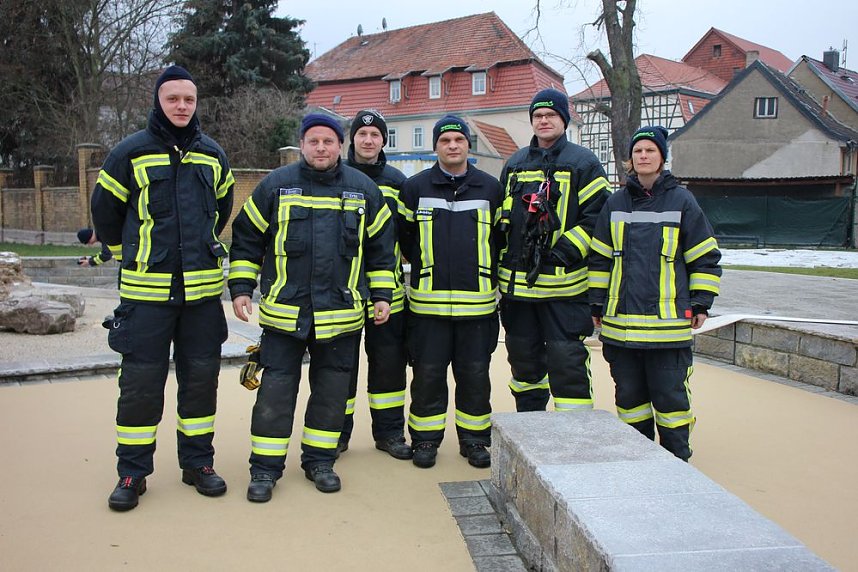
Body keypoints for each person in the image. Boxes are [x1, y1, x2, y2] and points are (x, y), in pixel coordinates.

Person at [228, 113, 396, 501]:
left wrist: (383, 295)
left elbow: (381, 251)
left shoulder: (362, 189)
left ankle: (320, 461)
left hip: (341, 317)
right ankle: (265, 469)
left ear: (341, 146)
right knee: (275, 392)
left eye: (329, 141)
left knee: (331, 393)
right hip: (285, 316)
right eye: (313, 141)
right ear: (302, 145)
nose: (321, 147)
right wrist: (240, 287)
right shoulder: (275, 186)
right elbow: (247, 239)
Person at [91, 65, 234, 511]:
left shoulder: (212, 154)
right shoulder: (129, 152)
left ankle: (198, 464)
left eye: (188, 100)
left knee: (201, 383)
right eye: (173, 99)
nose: (181, 106)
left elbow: (222, 208)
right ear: (158, 100)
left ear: (196, 104)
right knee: (140, 385)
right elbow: (105, 213)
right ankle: (132, 473)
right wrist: (131, 251)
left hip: (202, 296)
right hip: (146, 295)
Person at [588, 126, 722, 461]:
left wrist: (701, 302)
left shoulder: (682, 201)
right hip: (621, 330)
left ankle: (677, 460)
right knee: (629, 399)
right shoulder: (615, 203)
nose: (643, 156)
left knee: (670, 400)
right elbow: (600, 259)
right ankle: (639, 458)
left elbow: (704, 256)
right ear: (630, 159)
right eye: (638, 151)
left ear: (662, 157)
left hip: (668, 330)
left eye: (650, 150)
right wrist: (595, 301)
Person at [398, 115, 504, 469]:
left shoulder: (491, 188)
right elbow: (405, 240)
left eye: (459, 140)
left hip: (478, 309)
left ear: (468, 145)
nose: (453, 146)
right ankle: (426, 441)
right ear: (436, 147)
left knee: (475, 377)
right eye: (446, 141)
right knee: (427, 376)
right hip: (428, 309)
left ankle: (474, 441)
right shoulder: (414, 189)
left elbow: (501, 241)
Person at [498, 88, 610, 413]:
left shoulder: (584, 163)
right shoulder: (516, 163)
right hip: (518, 292)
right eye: (538, 115)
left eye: (551, 115)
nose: (544, 120)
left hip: (565, 290)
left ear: (564, 119)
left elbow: (598, 218)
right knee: (523, 363)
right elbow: (501, 216)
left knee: (567, 363)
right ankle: (530, 430)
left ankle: (574, 439)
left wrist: (564, 250)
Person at [337, 109, 411, 460]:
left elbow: (409, 235)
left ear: (383, 141)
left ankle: (390, 433)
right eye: (362, 134)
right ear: (352, 139)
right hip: (341, 293)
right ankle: (336, 433)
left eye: (375, 135)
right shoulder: (334, 177)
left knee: (389, 366)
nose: (368, 141)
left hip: (389, 293)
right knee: (341, 367)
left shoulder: (397, 182)